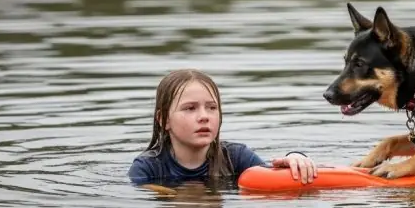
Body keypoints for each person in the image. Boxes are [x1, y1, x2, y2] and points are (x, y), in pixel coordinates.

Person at [128, 69, 318, 186]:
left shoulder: (236, 157)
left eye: (212, 108)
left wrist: (295, 157)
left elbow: (271, 175)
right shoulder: (147, 168)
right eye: (190, 108)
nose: (204, 116)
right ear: (164, 120)